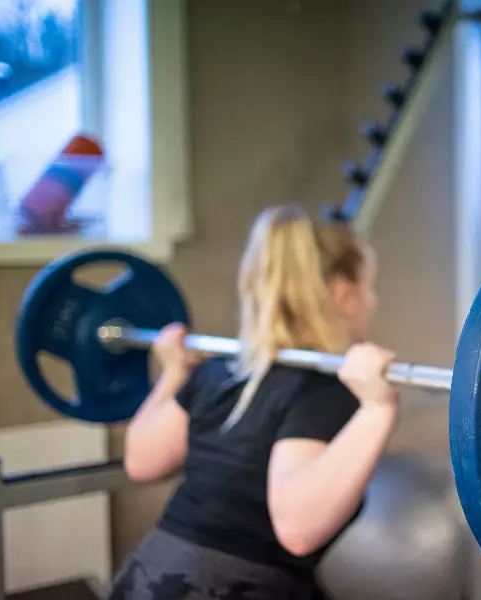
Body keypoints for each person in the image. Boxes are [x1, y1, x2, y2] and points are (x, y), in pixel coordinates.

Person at [108, 206, 400, 600]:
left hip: (146, 576)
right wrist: (378, 409)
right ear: (344, 296)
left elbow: (142, 461)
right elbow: (298, 531)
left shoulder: (219, 372)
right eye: (370, 288)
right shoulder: (324, 392)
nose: (374, 302)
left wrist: (173, 372)